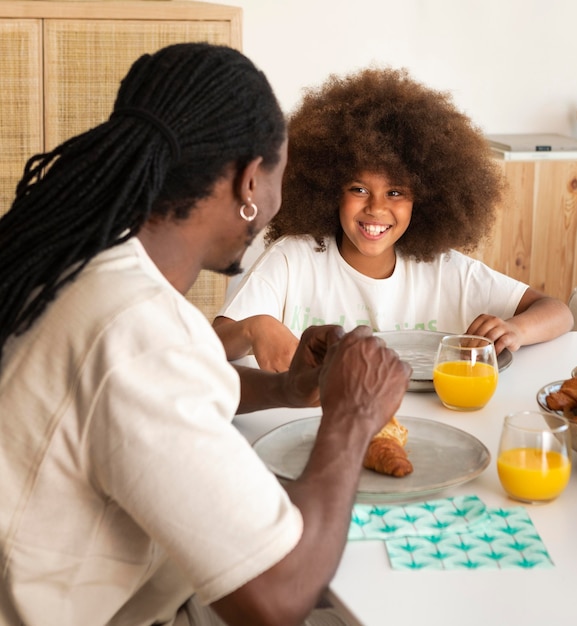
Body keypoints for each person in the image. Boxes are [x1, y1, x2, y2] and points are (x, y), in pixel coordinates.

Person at [0, 44, 411, 626]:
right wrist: (353, 416)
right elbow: (277, 597)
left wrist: (287, 390)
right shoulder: (139, 330)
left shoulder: (80, 259)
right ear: (250, 183)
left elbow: (152, 397)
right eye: (280, 178)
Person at [213, 68, 574, 372]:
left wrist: (516, 330)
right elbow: (213, 344)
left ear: (427, 198)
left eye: (396, 193)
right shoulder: (294, 259)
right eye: (358, 189)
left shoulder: (444, 270)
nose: (376, 208)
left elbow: (558, 312)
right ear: (327, 189)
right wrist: (253, 329)